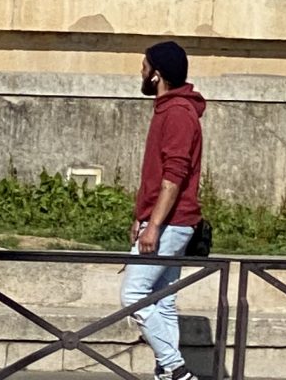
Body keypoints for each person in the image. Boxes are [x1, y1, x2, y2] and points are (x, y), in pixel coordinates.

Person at [121, 38, 206, 380]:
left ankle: (175, 369)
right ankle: (167, 373)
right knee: (163, 300)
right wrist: (140, 217)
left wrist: (153, 226)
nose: (140, 70)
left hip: (171, 223)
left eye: (144, 65)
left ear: (157, 75)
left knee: (134, 294)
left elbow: (174, 177)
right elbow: (159, 178)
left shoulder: (177, 114)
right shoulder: (171, 110)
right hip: (165, 220)